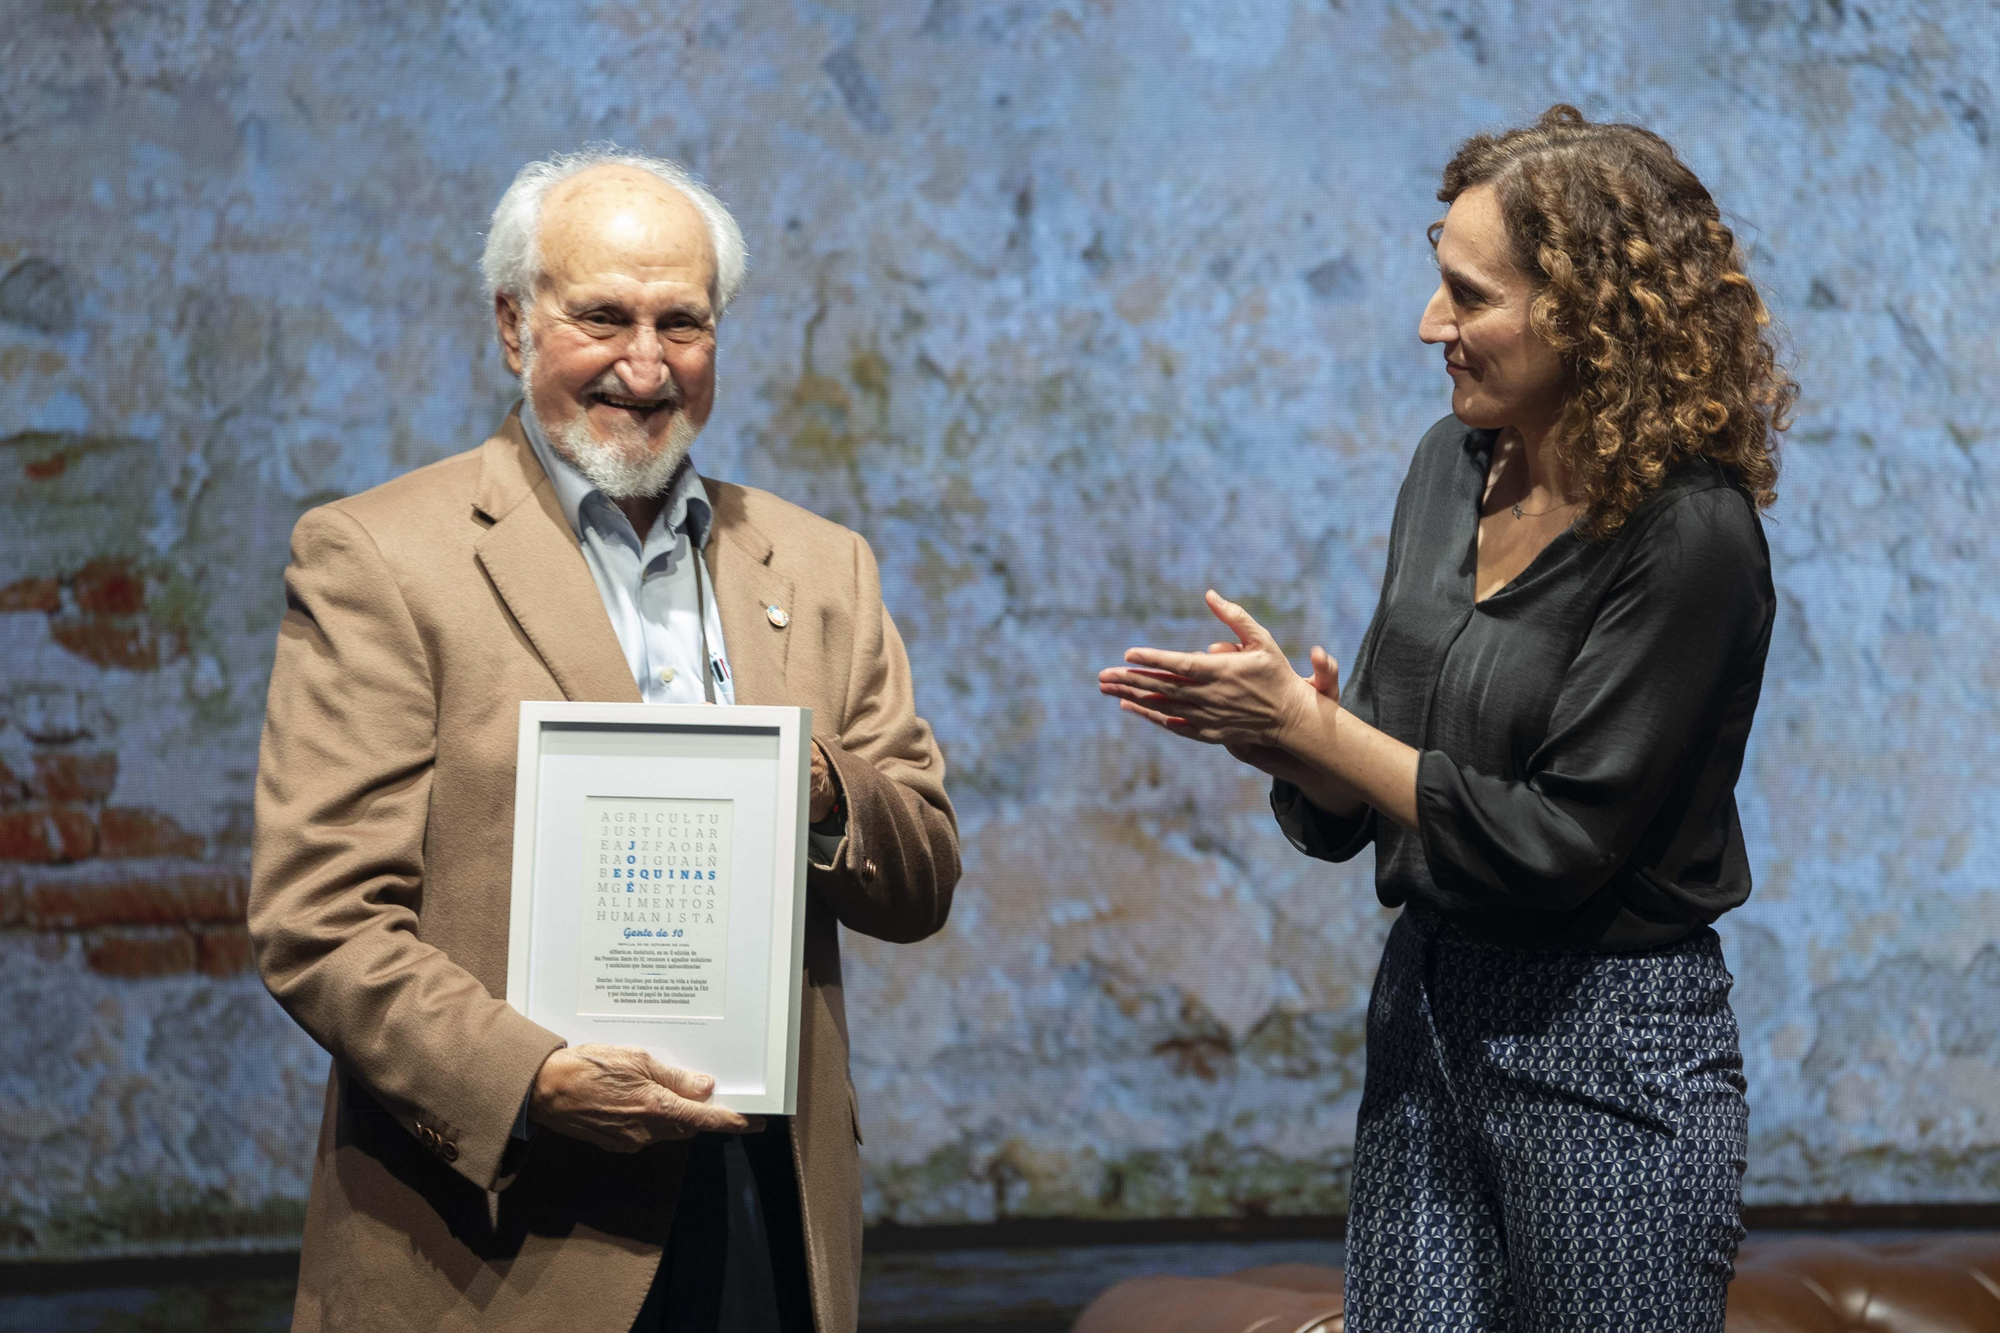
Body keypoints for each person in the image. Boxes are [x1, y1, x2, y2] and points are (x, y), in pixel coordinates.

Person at [1097, 106, 1794, 1330]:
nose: (1430, 323)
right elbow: (1379, 771)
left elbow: (1557, 842)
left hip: (1604, 1040)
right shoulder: (1448, 465)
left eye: (1467, 296)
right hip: (1423, 1010)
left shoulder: (1689, 534)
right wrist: (1294, 737)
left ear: (1588, 314)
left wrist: (1323, 737)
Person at [249, 146, 959, 1333]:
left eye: (682, 322)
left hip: (760, 1199)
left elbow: (921, 875)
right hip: (497, 1227)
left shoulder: (818, 566)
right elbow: (319, 918)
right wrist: (531, 1077)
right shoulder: (380, 557)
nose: (644, 363)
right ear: (512, 326)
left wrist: (817, 786)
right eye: (602, 317)